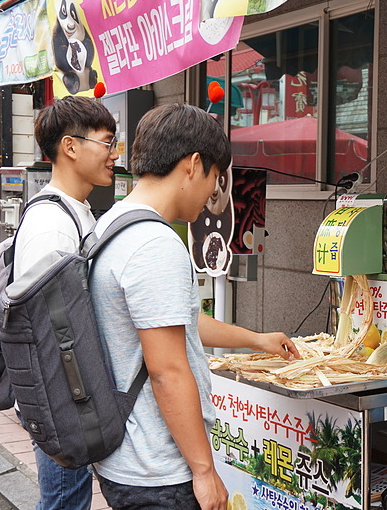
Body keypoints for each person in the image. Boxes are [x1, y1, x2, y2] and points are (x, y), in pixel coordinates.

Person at [88, 103, 300, 510]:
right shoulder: (155, 244)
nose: (212, 194)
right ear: (193, 164)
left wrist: (256, 339)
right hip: (158, 472)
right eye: (216, 179)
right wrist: (204, 470)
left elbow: (178, 321)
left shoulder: (113, 223)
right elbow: (166, 370)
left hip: (128, 456)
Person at [15, 96, 119, 509]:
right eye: (107, 142)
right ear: (71, 147)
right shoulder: (51, 224)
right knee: (63, 501)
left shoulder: (76, 213)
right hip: (61, 400)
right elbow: (43, 333)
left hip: (71, 395)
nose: (114, 154)